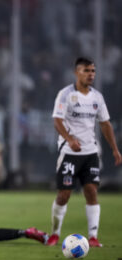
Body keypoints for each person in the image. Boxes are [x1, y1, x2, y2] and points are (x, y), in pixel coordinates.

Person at [47, 57, 122, 247]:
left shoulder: (97, 97)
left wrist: (114, 149)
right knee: (64, 195)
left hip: (90, 153)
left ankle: (93, 237)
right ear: (76, 72)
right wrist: (70, 139)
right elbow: (57, 120)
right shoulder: (65, 95)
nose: (91, 75)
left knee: (91, 191)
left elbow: (105, 124)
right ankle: (55, 233)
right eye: (86, 71)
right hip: (69, 153)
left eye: (93, 71)